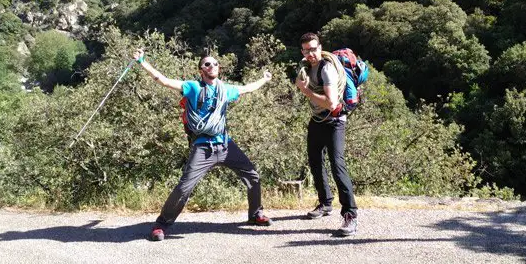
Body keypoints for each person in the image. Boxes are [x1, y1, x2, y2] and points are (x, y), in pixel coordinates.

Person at [133, 49, 273, 242]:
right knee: (184, 188)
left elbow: (248, 88)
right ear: (201, 70)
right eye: (207, 64)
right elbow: (162, 80)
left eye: (215, 63)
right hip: (203, 146)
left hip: (224, 144)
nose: (212, 66)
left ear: (219, 68)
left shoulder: (226, 89)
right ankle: (161, 224)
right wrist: (142, 62)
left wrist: (264, 79)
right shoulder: (192, 87)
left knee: (252, 175)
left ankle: (255, 214)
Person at [295, 33, 358, 237]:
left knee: (337, 166)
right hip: (318, 120)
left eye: (314, 49)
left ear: (320, 47)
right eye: (307, 50)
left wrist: (306, 91)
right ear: (302, 51)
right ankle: (325, 203)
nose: (311, 53)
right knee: (315, 161)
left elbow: (331, 103)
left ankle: (350, 215)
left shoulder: (327, 68)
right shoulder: (307, 67)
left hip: (334, 121)